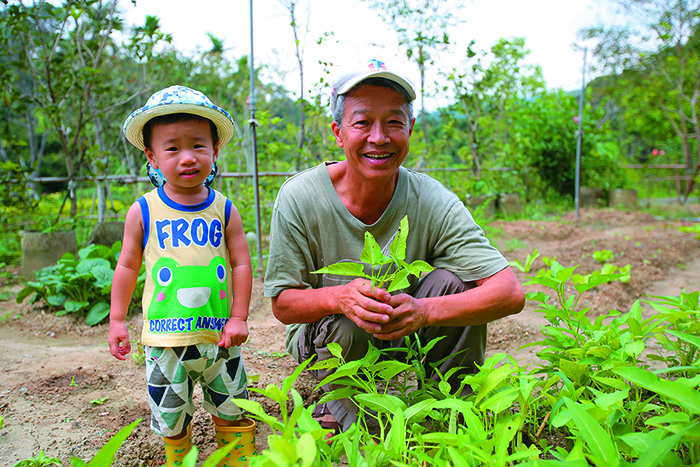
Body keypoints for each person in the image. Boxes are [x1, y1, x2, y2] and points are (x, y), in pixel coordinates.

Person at [263, 59, 525, 432]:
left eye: (394, 122)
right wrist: (340, 297)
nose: (379, 137)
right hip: (329, 335)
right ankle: (341, 407)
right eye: (362, 122)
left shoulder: (431, 198)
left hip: (405, 327)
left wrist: (424, 310)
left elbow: (509, 293)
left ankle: (450, 408)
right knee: (351, 319)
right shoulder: (301, 197)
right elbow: (283, 304)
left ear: (410, 129)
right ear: (339, 132)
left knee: (455, 284)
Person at [108, 85, 256, 467]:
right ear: (152, 157)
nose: (187, 158)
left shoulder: (225, 209)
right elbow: (127, 265)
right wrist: (117, 320)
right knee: (171, 417)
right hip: (164, 340)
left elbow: (241, 263)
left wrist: (239, 317)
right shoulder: (144, 210)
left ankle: (235, 459)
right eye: (172, 148)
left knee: (231, 407)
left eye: (198, 146)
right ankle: (181, 459)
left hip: (220, 338)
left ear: (215, 151)